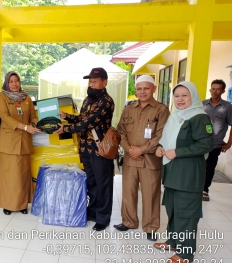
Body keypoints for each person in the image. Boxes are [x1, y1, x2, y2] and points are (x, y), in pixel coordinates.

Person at [154, 82, 213, 263]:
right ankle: (173, 241)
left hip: (188, 175)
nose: (180, 99)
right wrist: (160, 148)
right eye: (177, 95)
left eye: (184, 95)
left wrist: (177, 152)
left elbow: (206, 144)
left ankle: (186, 253)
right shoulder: (177, 116)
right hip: (173, 173)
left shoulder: (199, 117)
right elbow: (170, 139)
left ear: (193, 96)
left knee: (186, 213)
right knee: (173, 209)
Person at [54, 67, 115, 231]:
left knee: (103, 185)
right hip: (86, 149)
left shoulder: (106, 102)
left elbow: (89, 123)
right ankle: (93, 212)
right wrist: (68, 117)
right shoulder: (88, 99)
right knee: (92, 184)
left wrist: (66, 129)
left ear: (105, 82)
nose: (92, 84)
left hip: (100, 150)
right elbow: (82, 118)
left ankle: (103, 218)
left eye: (95, 81)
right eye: (90, 81)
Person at [114, 75, 169, 241]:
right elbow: (120, 131)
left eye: (146, 88)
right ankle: (129, 221)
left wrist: (141, 150)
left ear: (153, 89)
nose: (142, 92)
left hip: (150, 160)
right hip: (131, 159)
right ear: (136, 90)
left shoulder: (161, 109)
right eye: (139, 88)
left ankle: (151, 227)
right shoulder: (129, 108)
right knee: (128, 192)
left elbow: (162, 134)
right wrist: (129, 150)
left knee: (150, 194)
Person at [0, 71, 40, 215]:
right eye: (11, 81)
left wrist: (36, 124)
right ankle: (8, 205)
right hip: (9, 142)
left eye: (16, 81)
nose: (14, 84)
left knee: (23, 175)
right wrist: (26, 127)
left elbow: (33, 115)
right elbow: (5, 116)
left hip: (25, 141)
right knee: (9, 175)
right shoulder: (2, 97)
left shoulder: (26, 97)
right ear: (7, 83)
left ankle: (22, 204)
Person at [202, 79, 232, 201]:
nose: (214, 91)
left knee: (210, 168)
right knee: (198, 167)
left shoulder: (227, 107)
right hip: (199, 143)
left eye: (218, 89)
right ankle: (194, 189)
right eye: (213, 88)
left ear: (223, 91)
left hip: (215, 145)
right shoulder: (202, 104)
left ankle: (204, 190)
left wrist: (229, 143)